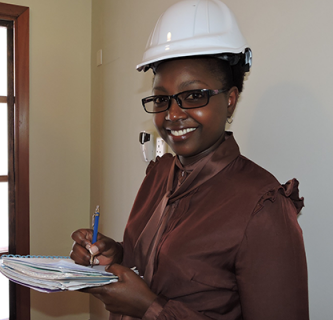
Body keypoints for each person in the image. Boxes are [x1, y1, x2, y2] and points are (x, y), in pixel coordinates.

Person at [70, 0, 309, 319]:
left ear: (231, 100)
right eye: (161, 98)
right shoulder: (160, 174)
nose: (172, 114)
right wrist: (116, 254)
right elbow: (162, 268)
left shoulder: (262, 209)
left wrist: (149, 308)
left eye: (194, 95)